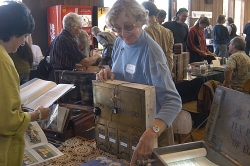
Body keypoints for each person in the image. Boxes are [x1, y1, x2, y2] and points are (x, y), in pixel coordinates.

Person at [96, 0, 182, 165]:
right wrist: (109, 75)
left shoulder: (151, 52)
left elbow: (173, 101)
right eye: (116, 28)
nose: (123, 33)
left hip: (153, 132)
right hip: (130, 124)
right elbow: (123, 76)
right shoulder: (119, 42)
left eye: (128, 26)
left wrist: (150, 134)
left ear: (141, 21)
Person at [0, 1, 50, 165]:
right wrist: (37, 115)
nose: (23, 42)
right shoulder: (2, 61)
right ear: (13, 33)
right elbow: (7, 122)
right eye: (24, 36)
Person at [48, 13, 101, 81]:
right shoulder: (68, 40)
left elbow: (63, 62)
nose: (80, 31)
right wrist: (97, 56)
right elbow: (85, 62)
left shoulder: (57, 37)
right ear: (71, 27)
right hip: (63, 77)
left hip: (55, 75)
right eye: (79, 28)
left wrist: (75, 66)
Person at [142, 1, 174, 72]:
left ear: (143, 14)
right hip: (165, 69)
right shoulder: (168, 32)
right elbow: (169, 55)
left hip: (151, 71)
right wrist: (168, 72)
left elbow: (145, 57)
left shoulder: (144, 32)